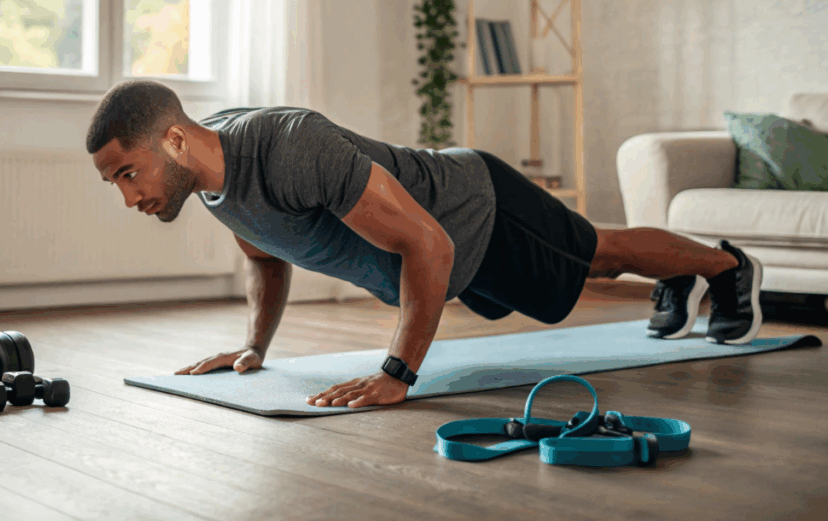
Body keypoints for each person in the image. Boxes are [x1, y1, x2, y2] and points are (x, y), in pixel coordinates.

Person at [86, 80, 763, 409]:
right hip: (451, 243)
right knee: (591, 266)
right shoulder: (208, 180)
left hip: (476, 208)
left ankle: (727, 266)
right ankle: (682, 282)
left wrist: (396, 373)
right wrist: (255, 346)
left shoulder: (289, 146)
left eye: (126, 173)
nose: (127, 197)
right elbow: (265, 255)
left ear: (173, 140)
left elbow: (429, 244)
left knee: (600, 257)